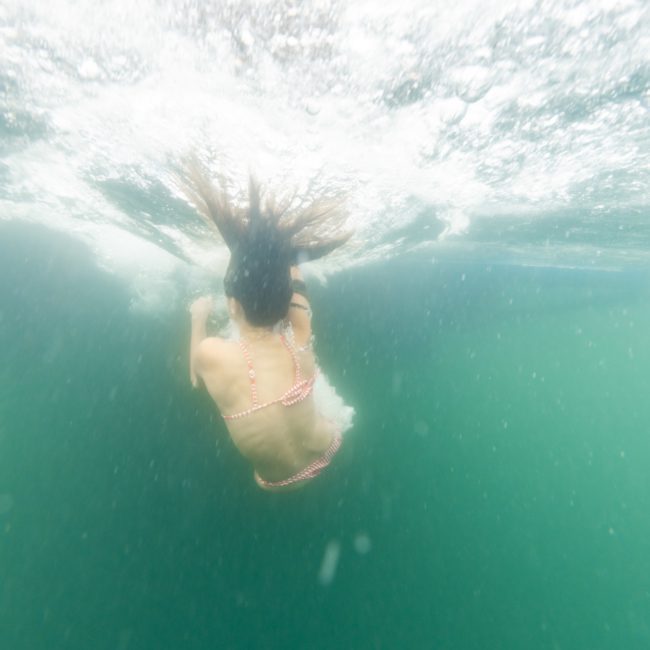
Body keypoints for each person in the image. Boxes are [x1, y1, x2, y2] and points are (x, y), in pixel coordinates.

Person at [183, 163, 354, 491]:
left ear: (232, 305)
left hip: (278, 482)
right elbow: (298, 294)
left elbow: (195, 375)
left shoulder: (211, 354)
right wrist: (282, 258)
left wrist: (198, 316)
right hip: (330, 448)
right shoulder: (299, 336)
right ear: (285, 303)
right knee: (303, 358)